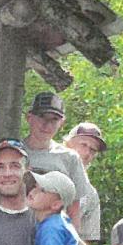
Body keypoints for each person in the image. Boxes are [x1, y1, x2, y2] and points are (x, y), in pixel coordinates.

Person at [22, 92, 93, 227]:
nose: (47, 124)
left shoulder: (70, 158)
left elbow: (74, 210)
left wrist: (71, 243)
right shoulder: (13, 152)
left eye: (54, 119)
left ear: (62, 122)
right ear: (29, 117)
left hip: (53, 235)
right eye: (42, 117)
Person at [63, 122, 107, 245]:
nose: (87, 153)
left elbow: (86, 242)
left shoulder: (91, 195)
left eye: (93, 150)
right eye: (83, 145)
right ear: (68, 144)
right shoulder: (45, 172)